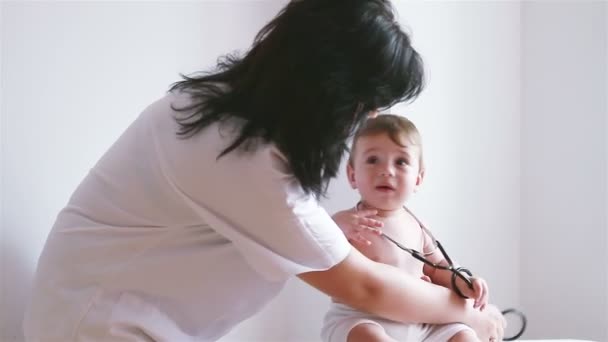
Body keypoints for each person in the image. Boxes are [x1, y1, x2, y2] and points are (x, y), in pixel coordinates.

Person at [23, 0, 504, 341]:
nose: (367, 118)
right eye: (367, 103)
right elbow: (364, 286)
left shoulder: (223, 117)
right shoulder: (240, 154)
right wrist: (474, 318)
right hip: (97, 330)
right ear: (330, 86)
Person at [323, 114, 501, 342]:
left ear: (418, 178)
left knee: (463, 335)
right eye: (373, 160)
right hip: (363, 317)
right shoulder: (347, 221)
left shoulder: (418, 226)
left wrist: (464, 281)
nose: (386, 170)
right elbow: (323, 246)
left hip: (421, 321)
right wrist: (339, 226)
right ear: (352, 175)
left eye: (401, 162)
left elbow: (438, 267)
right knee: (366, 336)